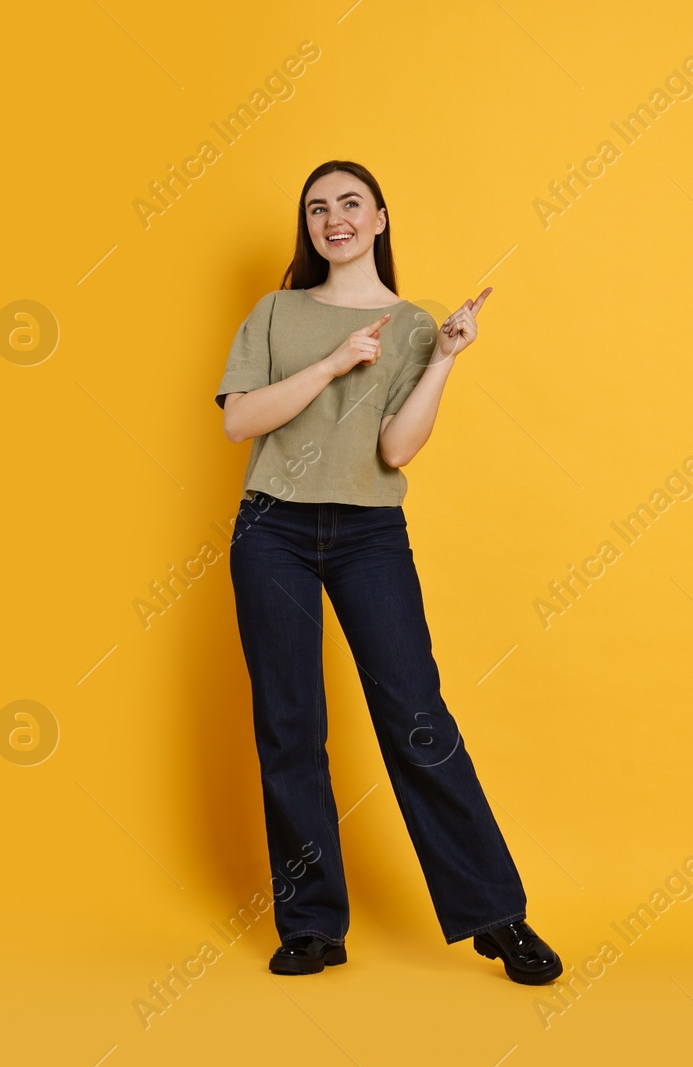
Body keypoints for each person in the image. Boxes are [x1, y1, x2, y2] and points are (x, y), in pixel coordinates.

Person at [214, 158, 562, 984]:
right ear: (308, 227)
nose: (333, 219)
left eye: (349, 205)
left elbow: (396, 448)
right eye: (317, 208)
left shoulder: (413, 324)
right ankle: (312, 926)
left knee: (418, 718)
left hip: (369, 531)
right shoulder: (275, 311)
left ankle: (496, 916)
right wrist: (334, 364)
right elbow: (239, 423)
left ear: (378, 219)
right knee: (289, 725)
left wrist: (444, 356)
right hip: (273, 530)